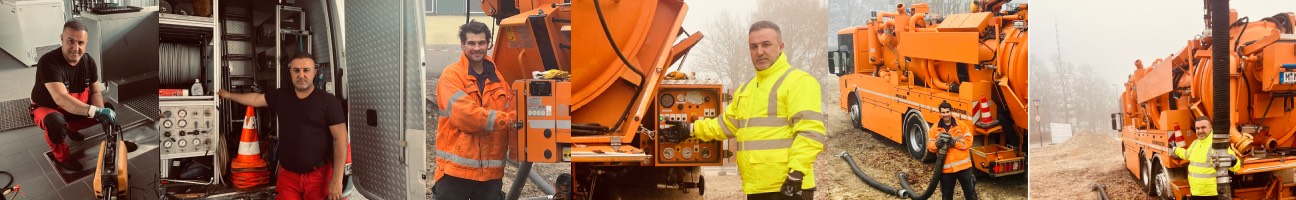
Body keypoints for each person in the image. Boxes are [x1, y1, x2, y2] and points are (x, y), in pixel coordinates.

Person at [686, 21, 826, 200]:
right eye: (754, 46)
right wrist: (689, 129)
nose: (759, 52)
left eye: (766, 44)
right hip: (757, 188)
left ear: (781, 46)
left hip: (789, 187)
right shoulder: (746, 89)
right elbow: (725, 125)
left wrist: (796, 173)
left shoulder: (798, 81)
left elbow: (810, 132)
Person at [217, 53, 347, 200]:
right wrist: (228, 95)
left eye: (306, 70)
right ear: (290, 72)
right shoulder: (282, 96)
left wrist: (337, 180)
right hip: (288, 177)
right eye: (296, 70)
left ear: (314, 72)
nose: (301, 75)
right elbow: (255, 98)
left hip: (318, 177)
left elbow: (341, 139)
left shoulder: (328, 102)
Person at [431, 20, 517, 200]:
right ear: (462, 44)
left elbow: (514, 111)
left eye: (481, 43)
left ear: (489, 44)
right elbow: (466, 117)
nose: (477, 48)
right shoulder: (451, 76)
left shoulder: (499, 79)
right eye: (471, 43)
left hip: (490, 174)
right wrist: (507, 121)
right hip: (456, 173)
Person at [31, 20, 117, 172]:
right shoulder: (48, 62)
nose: (75, 48)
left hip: (74, 103)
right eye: (70, 41)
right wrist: (95, 112)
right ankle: (62, 158)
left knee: (108, 109)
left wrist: (101, 114)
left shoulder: (88, 61)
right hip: (48, 108)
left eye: (81, 43)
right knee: (56, 123)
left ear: (86, 43)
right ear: (62, 39)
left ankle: (80, 131)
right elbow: (61, 99)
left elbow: (96, 92)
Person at [1172, 116, 1241, 200]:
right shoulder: (1195, 143)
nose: (1200, 131)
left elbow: (1236, 165)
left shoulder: (1217, 144)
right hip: (1195, 193)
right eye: (1197, 128)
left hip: (1212, 195)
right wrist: (1175, 150)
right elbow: (1186, 154)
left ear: (1210, 127)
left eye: (1203, 127)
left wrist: (1233, 161)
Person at [927, 101, 977, 200]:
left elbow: (969, 141)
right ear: (940, 113)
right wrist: (937, 144)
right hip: (947, 169)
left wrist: (955, 144)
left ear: (951, 112)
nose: (946, 114)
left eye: (947, 112)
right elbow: (930, 146)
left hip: (964, 167)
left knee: (970, 194)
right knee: (947, 196)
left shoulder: (961, 125)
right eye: (943, 112)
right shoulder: (935, 129)